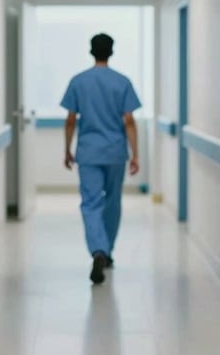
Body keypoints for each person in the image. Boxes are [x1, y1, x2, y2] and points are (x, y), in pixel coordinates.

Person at [60, 33, 141, 285]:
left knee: (91, 203)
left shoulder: (78, 81)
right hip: (115, 152)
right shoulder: (122, 82)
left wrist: (67, 149)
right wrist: (135, 154)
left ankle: (98, 250)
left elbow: (71, 120)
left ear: (91, 51)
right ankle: (107, 252)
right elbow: (129, 121)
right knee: (113, 202)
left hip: (88, 152)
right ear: (111, 52)